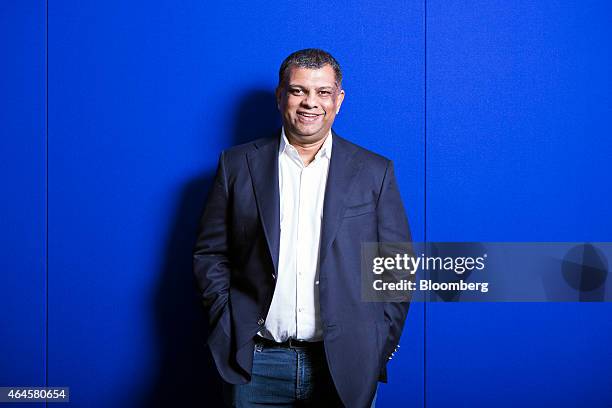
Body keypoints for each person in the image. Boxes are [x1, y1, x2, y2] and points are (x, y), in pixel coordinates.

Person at [193, 48, 412, 407]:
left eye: (323, 92)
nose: (311, 102)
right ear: (281, 97)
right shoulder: (236, 166)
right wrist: (227, 321)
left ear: (338, 100)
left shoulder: (375, 171)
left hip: (344, 365)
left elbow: (395, 268)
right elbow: (210, 254)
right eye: (298, 91)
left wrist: (376, 344)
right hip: (256, 364)